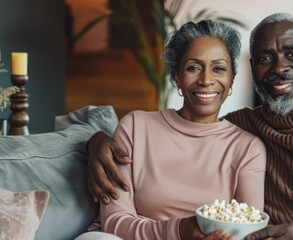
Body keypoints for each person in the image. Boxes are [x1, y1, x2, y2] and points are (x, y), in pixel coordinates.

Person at [86, 13, 293, 240]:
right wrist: (93, 141)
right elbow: (193, 130)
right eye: (264, 58)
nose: (279, 68)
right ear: (248, 70)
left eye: (292, 54)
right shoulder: (243, 127)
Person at [83, 20, 267, 240]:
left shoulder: (248, 148)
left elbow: (247, 229)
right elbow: (114, 221)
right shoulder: (135, 126)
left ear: (231, 79)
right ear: (177, 76)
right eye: (193, 68)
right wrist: (178, 231)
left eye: (218, 69)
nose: (206, 80)